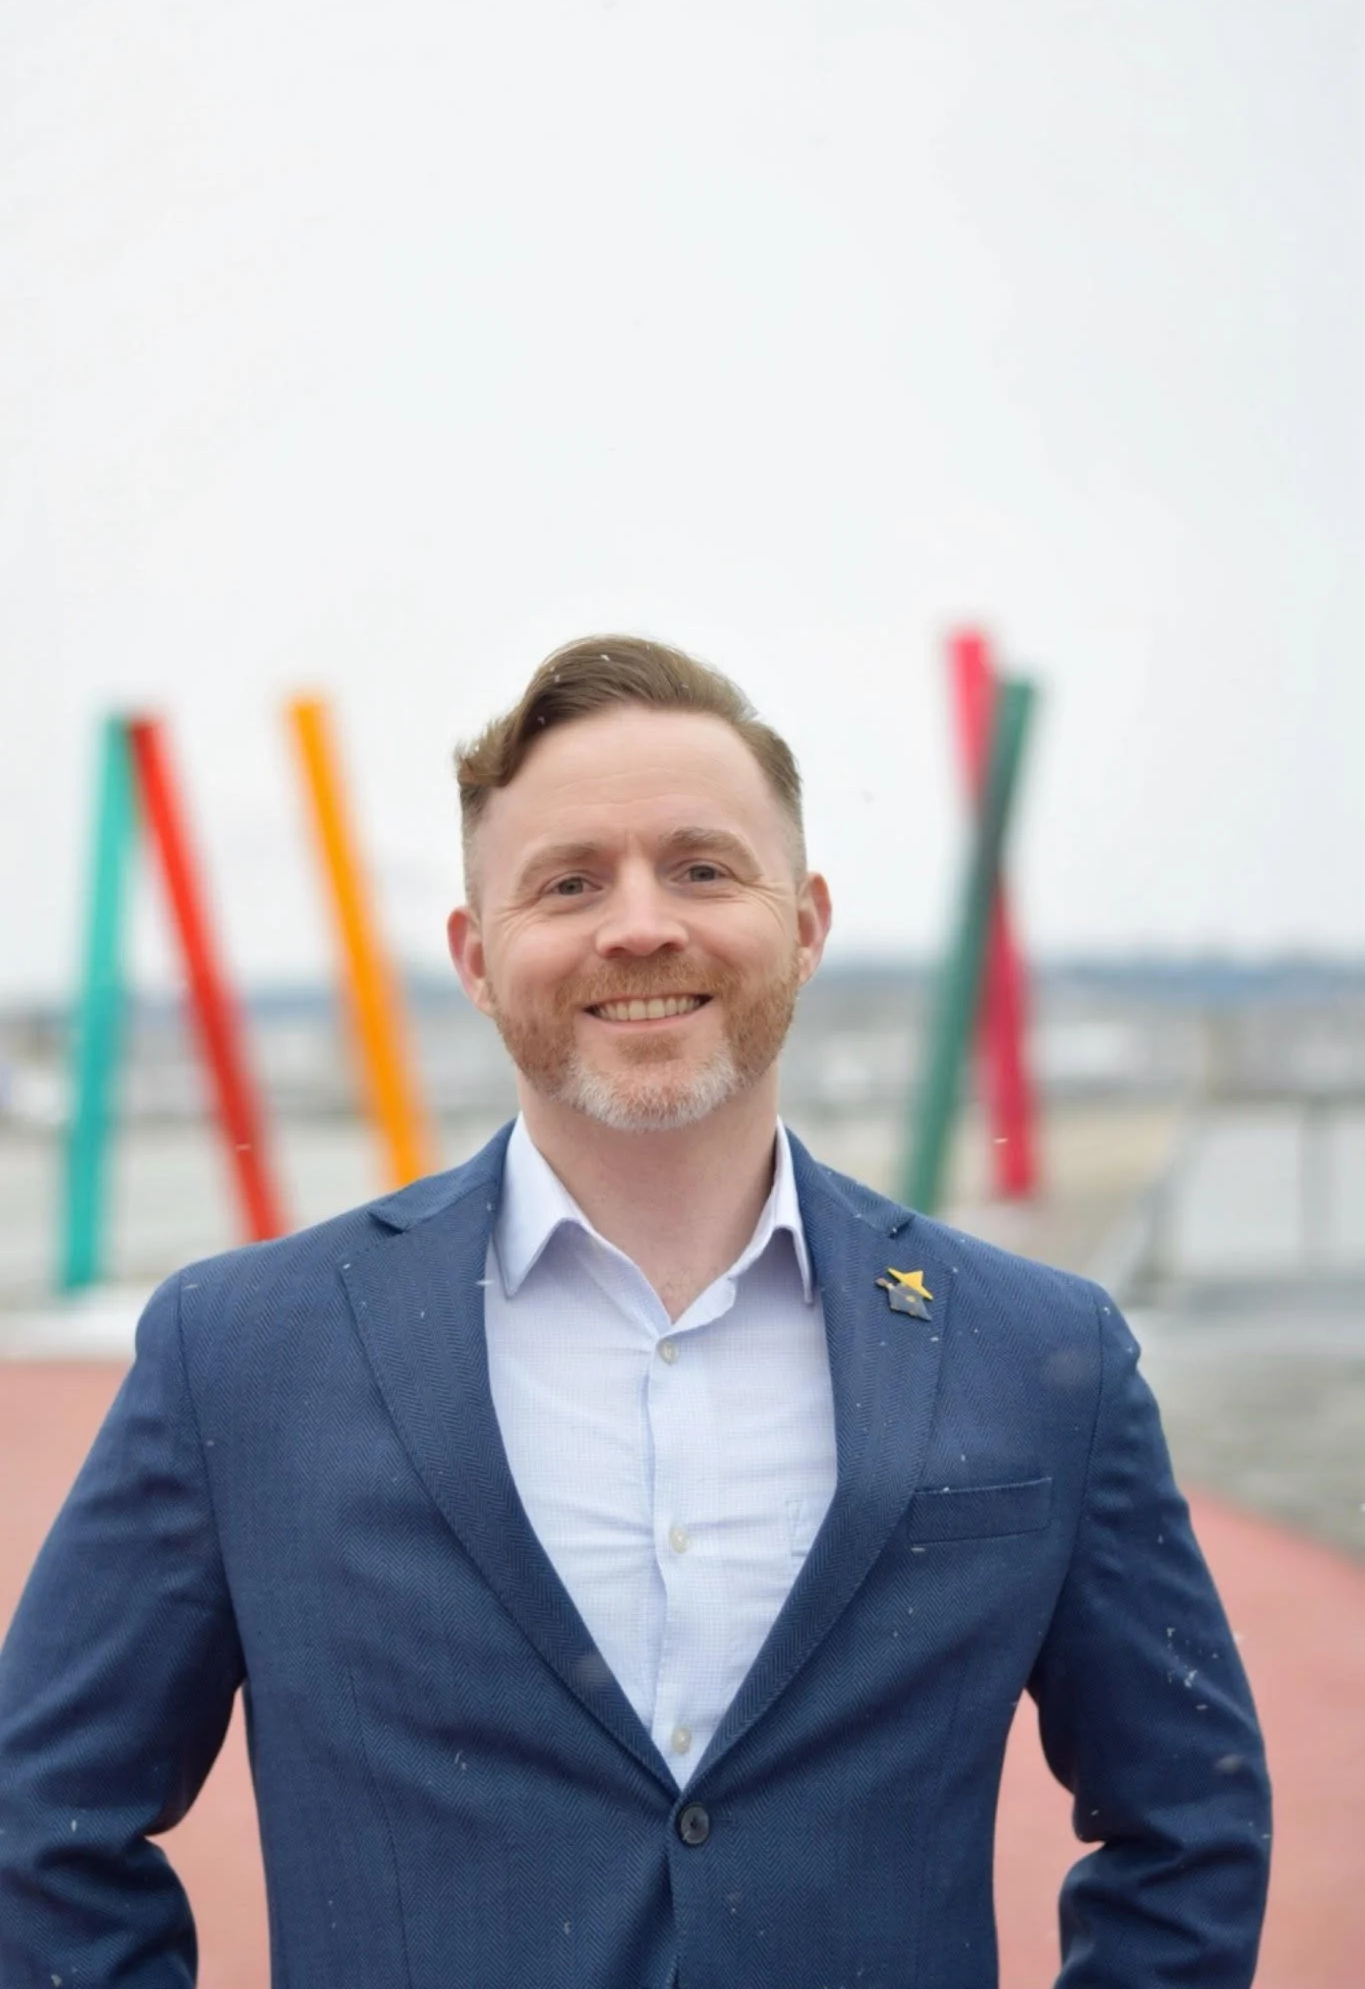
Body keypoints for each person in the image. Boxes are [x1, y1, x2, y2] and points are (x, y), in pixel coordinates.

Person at [0, 636, 1270, 1988]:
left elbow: (1187, 1821)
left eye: (704, 866)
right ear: (477, 958)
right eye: (569, 883)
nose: (641, 924)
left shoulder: (1036, 1353)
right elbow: (44, 1827)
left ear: (806, 922)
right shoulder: (239, 1356)